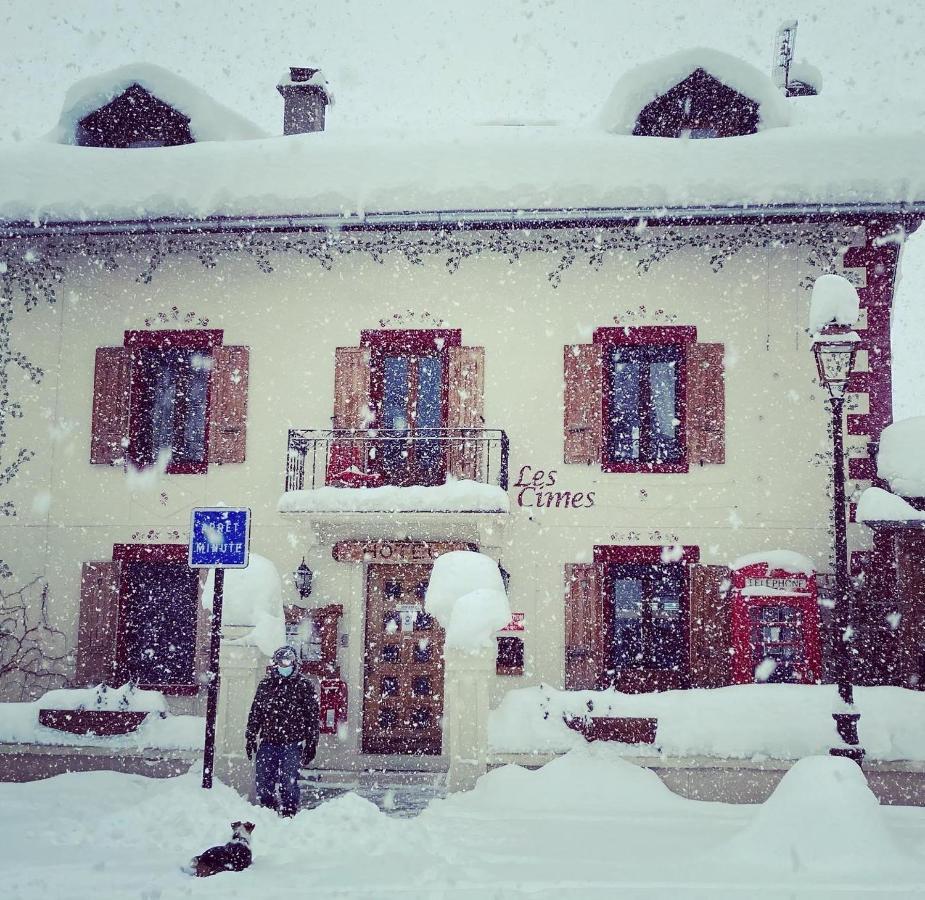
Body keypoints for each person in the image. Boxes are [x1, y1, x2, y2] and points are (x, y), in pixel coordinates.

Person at [245, 645, 319, 817]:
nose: (284, 666)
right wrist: (250, 736)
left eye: (287, 661)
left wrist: (311, 743)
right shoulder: (266, 685)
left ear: (294, 662)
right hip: (268, 741)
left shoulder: (304, 686)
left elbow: (312, 718)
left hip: (292, 743)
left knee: (289, 782)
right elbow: (256, 712)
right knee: (263, 782)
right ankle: (267, 812)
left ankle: (289, 813)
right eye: (280, 662)